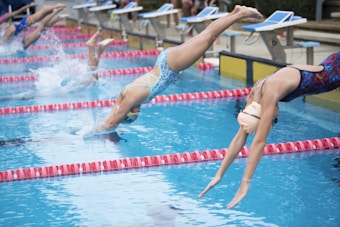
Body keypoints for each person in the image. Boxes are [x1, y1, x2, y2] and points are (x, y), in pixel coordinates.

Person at [198, 51, 340, 209]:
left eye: (274, 119)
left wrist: (245, 182)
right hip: (331, 65)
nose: (276, 115)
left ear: (263, 113)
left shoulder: (269, 95)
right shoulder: (256, 93)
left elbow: (259, 142)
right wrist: (219, 174)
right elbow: (240, 137)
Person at [92, 5, 262, 134]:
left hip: (171, 66)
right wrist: (97, 127)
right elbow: (112, 115)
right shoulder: (125, 93)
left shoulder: (133, 97)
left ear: (131, 111)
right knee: (206, 36)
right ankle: (235, 13)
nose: (139, 111)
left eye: (135, 114)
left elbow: (112, 122)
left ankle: (240, 14)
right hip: (165, 61)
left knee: (209, 37)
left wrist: (93, 134)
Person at [0, 3, 67, 49]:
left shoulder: (5, 41)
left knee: (40, 25)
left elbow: (17, 12)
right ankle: (55, 13)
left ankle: (55, 10)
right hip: (16, 30)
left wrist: (28, 6)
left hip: (17, 29)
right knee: (41, 26)